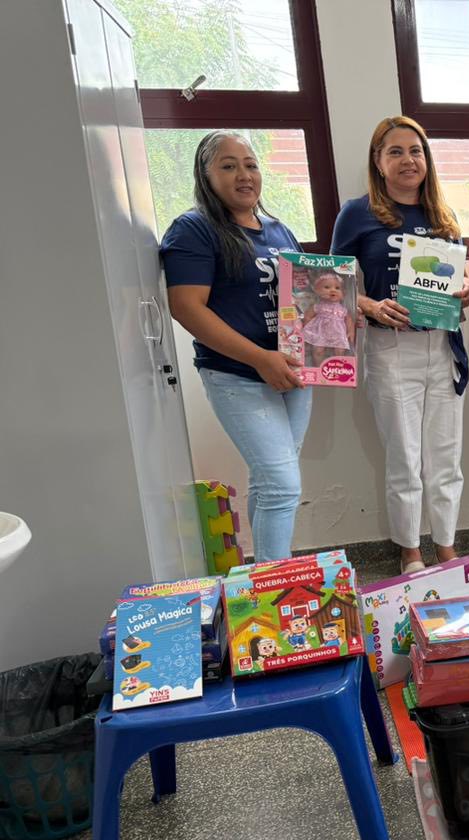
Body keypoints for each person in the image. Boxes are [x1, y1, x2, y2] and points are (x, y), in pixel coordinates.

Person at [331, 116, 469, 574]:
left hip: (443, 345)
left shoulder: (442, 216)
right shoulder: (357, 214)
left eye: (416, 150)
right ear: (378, 161)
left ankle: (447, 547)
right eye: (395, 151)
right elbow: (330, 284)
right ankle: (410, 550)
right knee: (405, 456)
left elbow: (454, 277)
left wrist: (464, 290)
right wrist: (370, 306)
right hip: (390, 348)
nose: (408, 160)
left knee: (447, 457)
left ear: (427, 160)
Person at [161, 130, 310, 563]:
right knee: (282, 484)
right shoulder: (194, 229)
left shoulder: (279, 230)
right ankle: (273, 586)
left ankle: (262, 582)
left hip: (294, 374)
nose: (244, 175)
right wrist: (260, 358)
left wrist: (337, 321)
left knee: (271, 481)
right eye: (228, 166)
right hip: (238, 375)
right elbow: (186, 307)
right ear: (205, 175)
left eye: (250, 164)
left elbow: (305, 301)